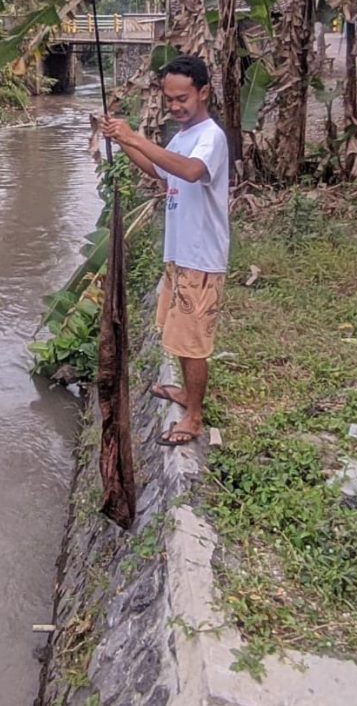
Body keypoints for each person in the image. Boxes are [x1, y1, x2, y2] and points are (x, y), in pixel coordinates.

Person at [99, 55, 229, 446]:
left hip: (200, 258)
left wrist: (136, 137)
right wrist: (123, 141)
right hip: (180, 254)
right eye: (169, 99)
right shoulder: (183, 136)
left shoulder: (210, 137)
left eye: (182, 98)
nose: (174, 106)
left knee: (194, 342)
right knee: (181, 337)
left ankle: (194, 417)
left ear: (203, 92)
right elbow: (159, 169)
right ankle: (187, 394)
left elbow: (190, 171)